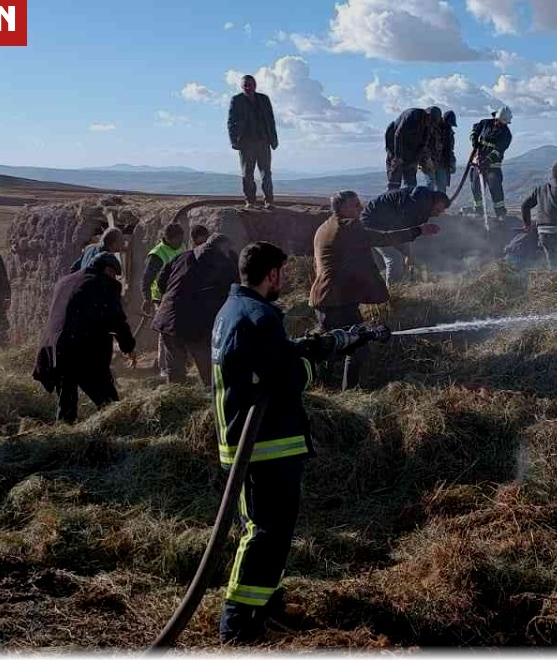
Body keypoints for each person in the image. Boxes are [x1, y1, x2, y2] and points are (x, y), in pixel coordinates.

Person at [211, 241, 391, 644]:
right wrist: (309, 365)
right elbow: (289, 378)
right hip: (263, 445)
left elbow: (271, 359)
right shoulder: (258, 315)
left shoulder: (233, 311)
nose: (285, 281)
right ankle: (238, 626)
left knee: (266, 532)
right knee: (264, 533)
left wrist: (330, 342)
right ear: (272, 274)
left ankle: (266, 606)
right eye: (283, 275)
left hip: (249, 443)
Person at [311, 190, 440, 389]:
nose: (361, 208)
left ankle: (322, 387)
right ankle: (348, 393)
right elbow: (383, 238)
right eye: (356, 205)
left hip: (327, 298)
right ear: (343, 208)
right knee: (356, 347)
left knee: (330, 347)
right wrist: (419, 230)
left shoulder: (325, 226)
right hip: (337, 300)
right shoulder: (348, 227)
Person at [32, 253, 136, 424]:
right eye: (114, 274)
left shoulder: (65, 281)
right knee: (110, 404)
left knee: (66, 403)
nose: (114, 278)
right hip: (83, 350)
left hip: (55, 348)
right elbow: (116, 319)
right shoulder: (105, 284)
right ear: (108, 270)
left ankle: (64, 437)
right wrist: (128, 347)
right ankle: (117, 436)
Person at [152, 233, 239, 386]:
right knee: (209, 367)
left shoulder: (182, 257)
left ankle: (175, 400)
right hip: (197, 323)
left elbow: (161, 281)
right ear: (223, 247)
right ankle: (212, 397)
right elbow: (234, 292)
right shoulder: (224, 264)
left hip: (167, 318)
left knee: (175, 369)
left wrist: (174, 299)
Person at [359, 186, 450, 287]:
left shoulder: (419, 203)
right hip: (372, 226)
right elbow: (401, 233)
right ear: (433, 203)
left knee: (407, 254)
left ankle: (401, 281)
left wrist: (408, 253)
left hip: (386, 226)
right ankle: (393, 293)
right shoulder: (412, 207)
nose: (437, 215)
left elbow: (403, 232)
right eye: (437, 210)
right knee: (394, 258)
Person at [228, 75, 279, 209]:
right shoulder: (237, 100)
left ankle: (269, 200)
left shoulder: (263, 99)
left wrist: (274, 139)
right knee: (247, 173)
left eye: (250, 84)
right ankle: (250, 201)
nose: (248, 87)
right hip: (246, 142)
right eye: (246, 85)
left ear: (255, 85)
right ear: (242, 86)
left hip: (263, 141)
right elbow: (230, 122)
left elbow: (271, 119)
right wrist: (233, 140)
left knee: (266, 172)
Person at [467, 106, 512, 222]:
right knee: (475, 187)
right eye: (499, 122)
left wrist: (487, 160)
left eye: (503, 123)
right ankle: (478, 211)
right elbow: (474, 130)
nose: (500, 125)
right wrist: (474, 139)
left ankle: (500, 214)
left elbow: (498, 151)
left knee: (495, 189)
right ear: (495, 118)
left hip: (493, 167)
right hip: (476, 163)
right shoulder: (485, 123)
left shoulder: (506, 135)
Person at [385, 106, 440, 191]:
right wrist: (398, 157)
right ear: (427, 115)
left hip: (411, 152)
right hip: (395, 148)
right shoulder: (412, 115)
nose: (430, 123)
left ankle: (408, 199)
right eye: (430, 120)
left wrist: (415, 160)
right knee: (394, 181)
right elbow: (398, 135)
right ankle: (391, 200)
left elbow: (423, 144)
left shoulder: (428, 125)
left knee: (411, 183)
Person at [141, 223, 186, 317]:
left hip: (178, 295)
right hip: (162, 299)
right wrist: (147, 298)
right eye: (178, 240)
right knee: (166, 327)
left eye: (182, 239)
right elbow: (147, 279)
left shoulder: (182, 246)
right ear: (169, 239)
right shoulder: (157, 254)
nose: (181, 242)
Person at [423, 109, 456, 194]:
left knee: (442, 186)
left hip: (442, 163)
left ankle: (440, 205)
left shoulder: (450, 134)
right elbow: (424, 145)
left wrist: (452, 162)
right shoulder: (431, 128)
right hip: (429, 161)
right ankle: (428, 205)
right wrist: (427, 159)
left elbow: (450, 150)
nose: (450, 126)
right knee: (430, 185)